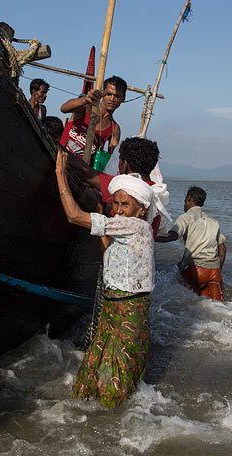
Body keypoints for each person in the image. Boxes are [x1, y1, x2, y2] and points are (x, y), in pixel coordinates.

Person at [56, 150, 155, 407]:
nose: (119, 211)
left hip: (126, 307)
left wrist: (60, 176)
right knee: (103, 364)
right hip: (115, 304)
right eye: (116, 203)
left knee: (114, 371)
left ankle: (113, 418)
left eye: (126, 205)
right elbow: (108, 256)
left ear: (141, 210)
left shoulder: (133, 225)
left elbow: (73, 216)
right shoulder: (128, 226)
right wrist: (104, 221)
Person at [65, 136, 171, 239]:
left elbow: (86, 173)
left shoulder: (125, 188)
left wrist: (60, 152)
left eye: (119, 160)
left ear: (125, 164)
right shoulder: (156, 192)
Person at [155, 186, 226, 301]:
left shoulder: (186, 217)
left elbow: (172, 236)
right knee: (219, 306)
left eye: (185, 201)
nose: (184, 205)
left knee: (188, 304)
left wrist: (152, 237)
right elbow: (222, 249)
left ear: (189, 199)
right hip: (214, 271)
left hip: (195, 270)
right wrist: (218, 271)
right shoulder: (213, 221)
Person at [59, 75, 127, 162]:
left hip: (81, 172)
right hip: (60, 161)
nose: (112, 99)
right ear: (102, 93)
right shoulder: (87, 106)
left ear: (123, 98)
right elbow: (64, 108)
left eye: (117, 96)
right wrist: (85, 99)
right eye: (108, 94)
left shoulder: (114, 128)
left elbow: (113, 158)